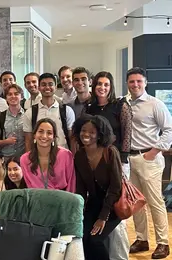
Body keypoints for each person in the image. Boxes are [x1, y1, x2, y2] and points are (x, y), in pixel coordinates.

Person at [83, 71, 132, 260]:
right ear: (93, 86)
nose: (102, 88)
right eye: (99, 84)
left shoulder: (120, 106)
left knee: (117, 213)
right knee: (101, 209)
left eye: (106, 84)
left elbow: (127, 134)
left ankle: (119, 257)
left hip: (118, 163)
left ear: (110, 87)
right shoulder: (91, 108)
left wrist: (123, 160)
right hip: (96, 164)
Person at [126, 67, 172, 259]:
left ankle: (163, 243)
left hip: (149, 158)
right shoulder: (124, 102)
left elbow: (169, 130)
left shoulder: (155, 104)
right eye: (131, 81)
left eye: (139, 81)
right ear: (127, 83)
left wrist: (153, 152)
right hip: (129, 159)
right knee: (135, 202)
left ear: (145, 82)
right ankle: (141, 239)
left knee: (155, 202)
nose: (135, 85)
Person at [73, 115, 122, 260]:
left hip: (113, 205)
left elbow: (116, 187)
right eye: (83, 130)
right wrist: (79, 212)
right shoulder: (79, 156)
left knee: (95, 240)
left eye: (92, 131)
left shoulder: (110, 152)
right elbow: (81, 188)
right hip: (93, 204)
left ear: (100, 134)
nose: (86, 134)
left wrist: (103, 217)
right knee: (81, 238)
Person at [20, 118, 75, 192]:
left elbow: (72, 184)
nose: (44, 136)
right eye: (40, 131)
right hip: (37, 200)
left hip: (63, 200)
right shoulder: (24, 159)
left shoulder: (65, 155)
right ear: (34, 135)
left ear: (54, 138)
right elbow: (29, 188)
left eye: (49, 133)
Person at [23, 73, 75, 151]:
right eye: (43, 85)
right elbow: (28, 141)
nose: (47, 87)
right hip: (39, 156)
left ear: (56, 87)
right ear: (39, 88)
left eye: (50, 84)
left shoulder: (67, 111)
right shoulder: (30, 112)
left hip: (62, 155)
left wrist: (72, 159)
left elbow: (72, 139)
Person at [0, 84, 25, 158]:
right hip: (7, 158)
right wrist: (5, 142)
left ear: (21, 97)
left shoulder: (28, 115)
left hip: (23, 158)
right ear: (6, 98)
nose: (13, 96)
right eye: (9, 94)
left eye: (16, 94)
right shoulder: (0, 116)